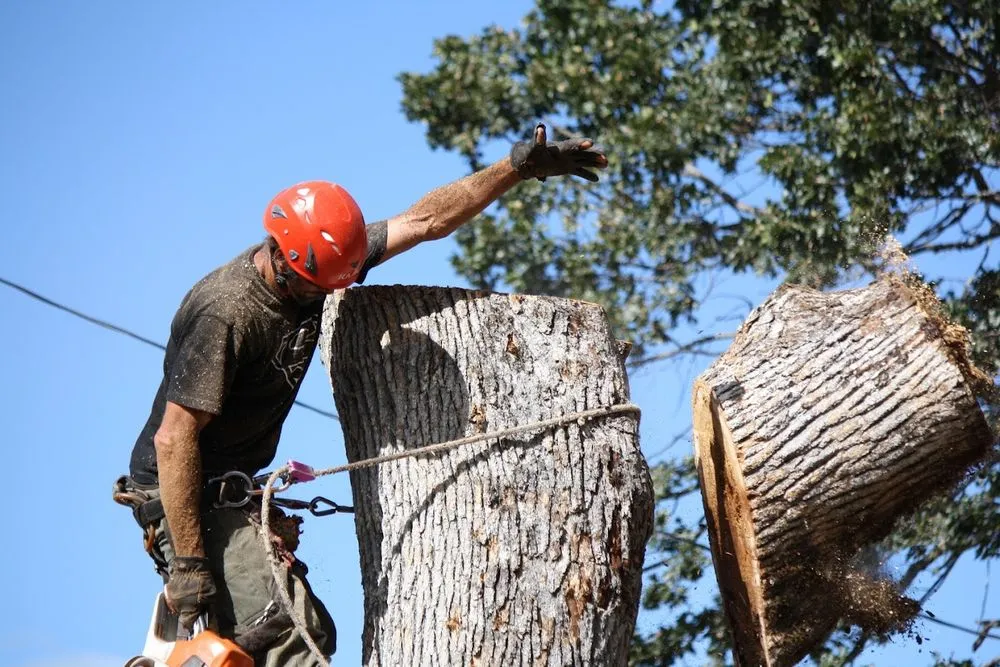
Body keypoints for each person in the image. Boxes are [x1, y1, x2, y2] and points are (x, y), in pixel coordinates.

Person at [116, 124, 607, 665]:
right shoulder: (226, 312)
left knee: (299, 633)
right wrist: (188, 561)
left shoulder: (325, 259)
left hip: (230, 490)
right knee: (293, 639)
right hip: (180, 497)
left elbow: (425, 221)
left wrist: (514, 169)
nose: (330, 292)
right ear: (284, 259)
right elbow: (174, 438)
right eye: (319, 285)